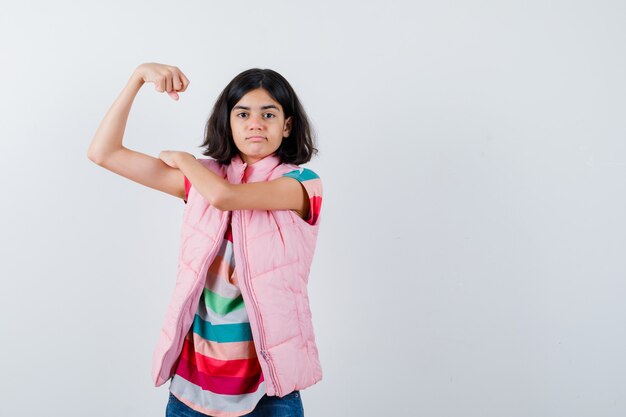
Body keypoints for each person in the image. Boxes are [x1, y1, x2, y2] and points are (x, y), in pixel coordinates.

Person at [87, 63, 324, 417]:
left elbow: (225, 197)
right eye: (242, 113)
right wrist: (137, 78)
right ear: (228, 122)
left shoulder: (302, 183)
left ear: (287, 126)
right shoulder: (206, 178)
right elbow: (103, 153)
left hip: (268, 391)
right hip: (192, 387)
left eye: (268, 114)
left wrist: (185, 161)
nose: (255, 123)